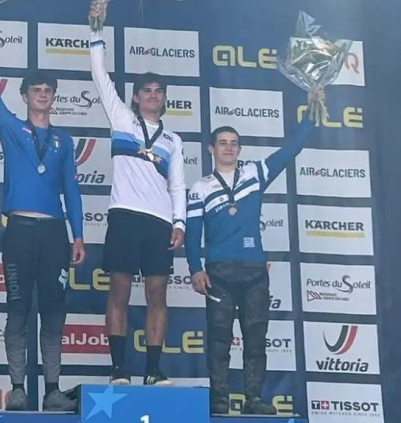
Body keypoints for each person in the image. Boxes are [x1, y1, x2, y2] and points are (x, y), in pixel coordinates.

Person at [0, 4, 85, 412]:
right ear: (24, 96)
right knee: (18, 309)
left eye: (48, 90)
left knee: (53, 312)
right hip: (19, 230)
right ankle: (18, 387)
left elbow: (71, 189)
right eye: (36, 89)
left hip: (54, 233)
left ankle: (53, 389)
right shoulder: (10, 128)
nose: (42, 94)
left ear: (53, 98)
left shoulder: (63, 141)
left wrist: (78, 235)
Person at [184, 89, 323, 415]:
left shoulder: (255, 174)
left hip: (254, 271)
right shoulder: (200, 188)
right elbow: (192, 234)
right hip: (218, 272)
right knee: (219, 339)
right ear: (211, 149)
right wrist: (194, 268)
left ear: (240, 149)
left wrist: (312, 109)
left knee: (256, 339)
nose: (229, 148)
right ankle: (219, 400)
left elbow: (291, 149)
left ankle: (254, 399)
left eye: (234, 143)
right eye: (223, 143)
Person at [88, 5, 186, 386]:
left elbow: (177, 184)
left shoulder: (173, 140)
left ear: (164, 99)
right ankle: (118, 369)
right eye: (147, 91)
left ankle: (153, 370)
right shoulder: (122, 119)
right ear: (135, 97)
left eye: (159, 92)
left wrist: (179, 223)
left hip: (159, 221)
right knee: (120, 290)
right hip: (125, 215)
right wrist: (97, 31)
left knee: (157, 295)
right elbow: (100, 75)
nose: (153, 96)